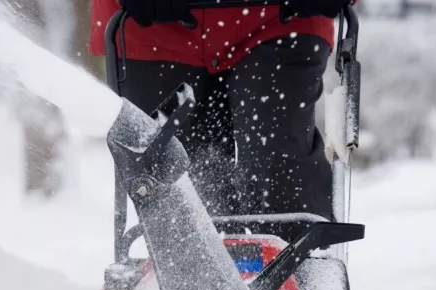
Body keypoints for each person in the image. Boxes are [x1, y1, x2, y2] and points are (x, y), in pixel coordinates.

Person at [89, 0, 352, 220]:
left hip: (279, 18)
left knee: (278, 172)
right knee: (181, 186)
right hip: (157, 28)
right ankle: (190, 275)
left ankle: (295, 271)